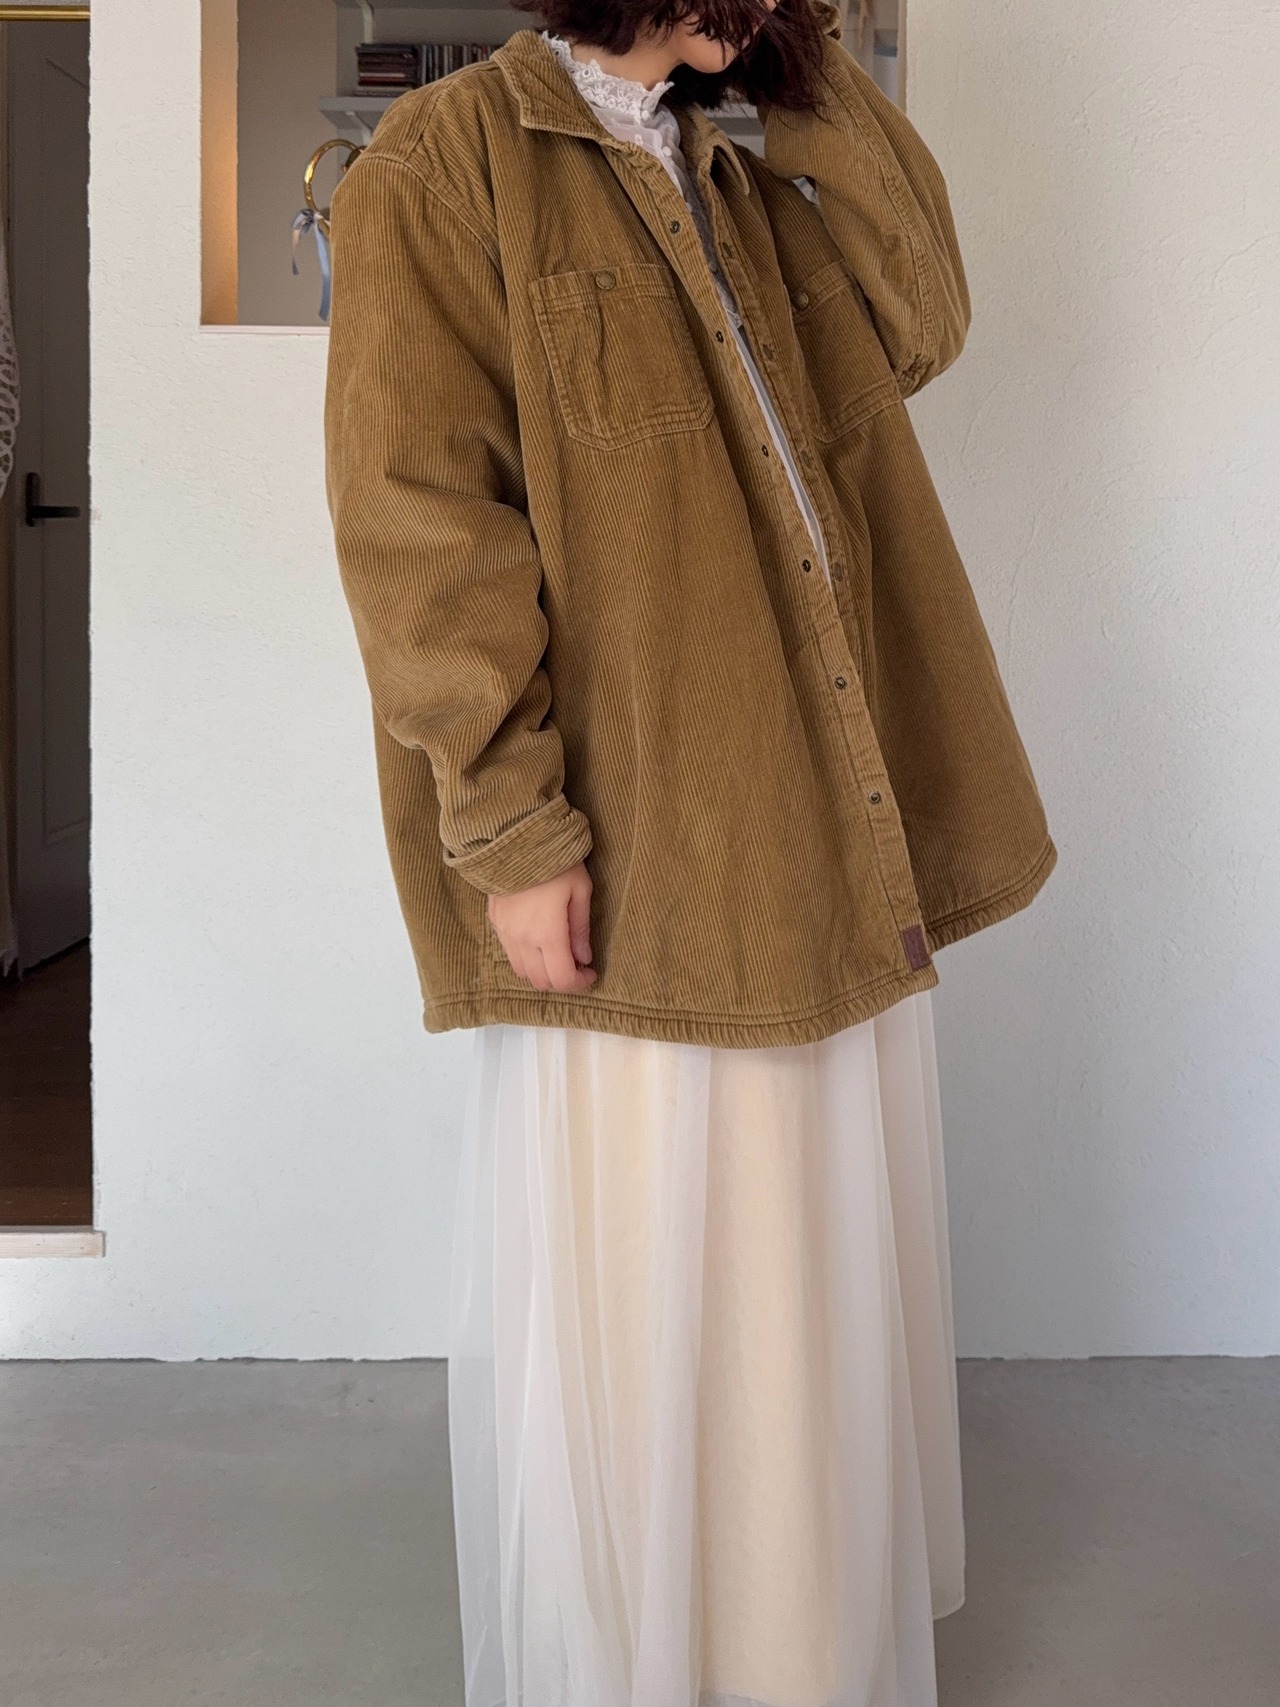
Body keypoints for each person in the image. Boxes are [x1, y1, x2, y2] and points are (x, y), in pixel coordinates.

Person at [324, 0, 1056, 1701]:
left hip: (810, 812)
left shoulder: (728, 172)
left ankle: (796, 1640)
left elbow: (926, 314)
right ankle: (668, 1654)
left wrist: (807, 83)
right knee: (666, 1258)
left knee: (802, 1257)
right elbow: (417, 528)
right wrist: (512, 831)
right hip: (644, 836)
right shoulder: (440, 168)